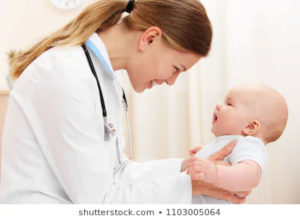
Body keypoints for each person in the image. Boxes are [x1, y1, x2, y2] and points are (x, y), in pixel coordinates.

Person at [0, 0, 246, 204]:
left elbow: (117, 173)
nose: (172, 81)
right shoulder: (65, 75)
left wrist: (187, 167)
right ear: (150, 38)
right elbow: (100, 201)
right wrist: (189, 186)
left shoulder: (104, 76)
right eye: (176, 68)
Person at [187, 84, 288, 203]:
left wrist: (214, 172)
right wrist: (206, 151)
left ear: (251, 127)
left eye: (229, 104)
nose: (219, 105)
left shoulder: (249, 144)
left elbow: (251, 176)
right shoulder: (233, 143)